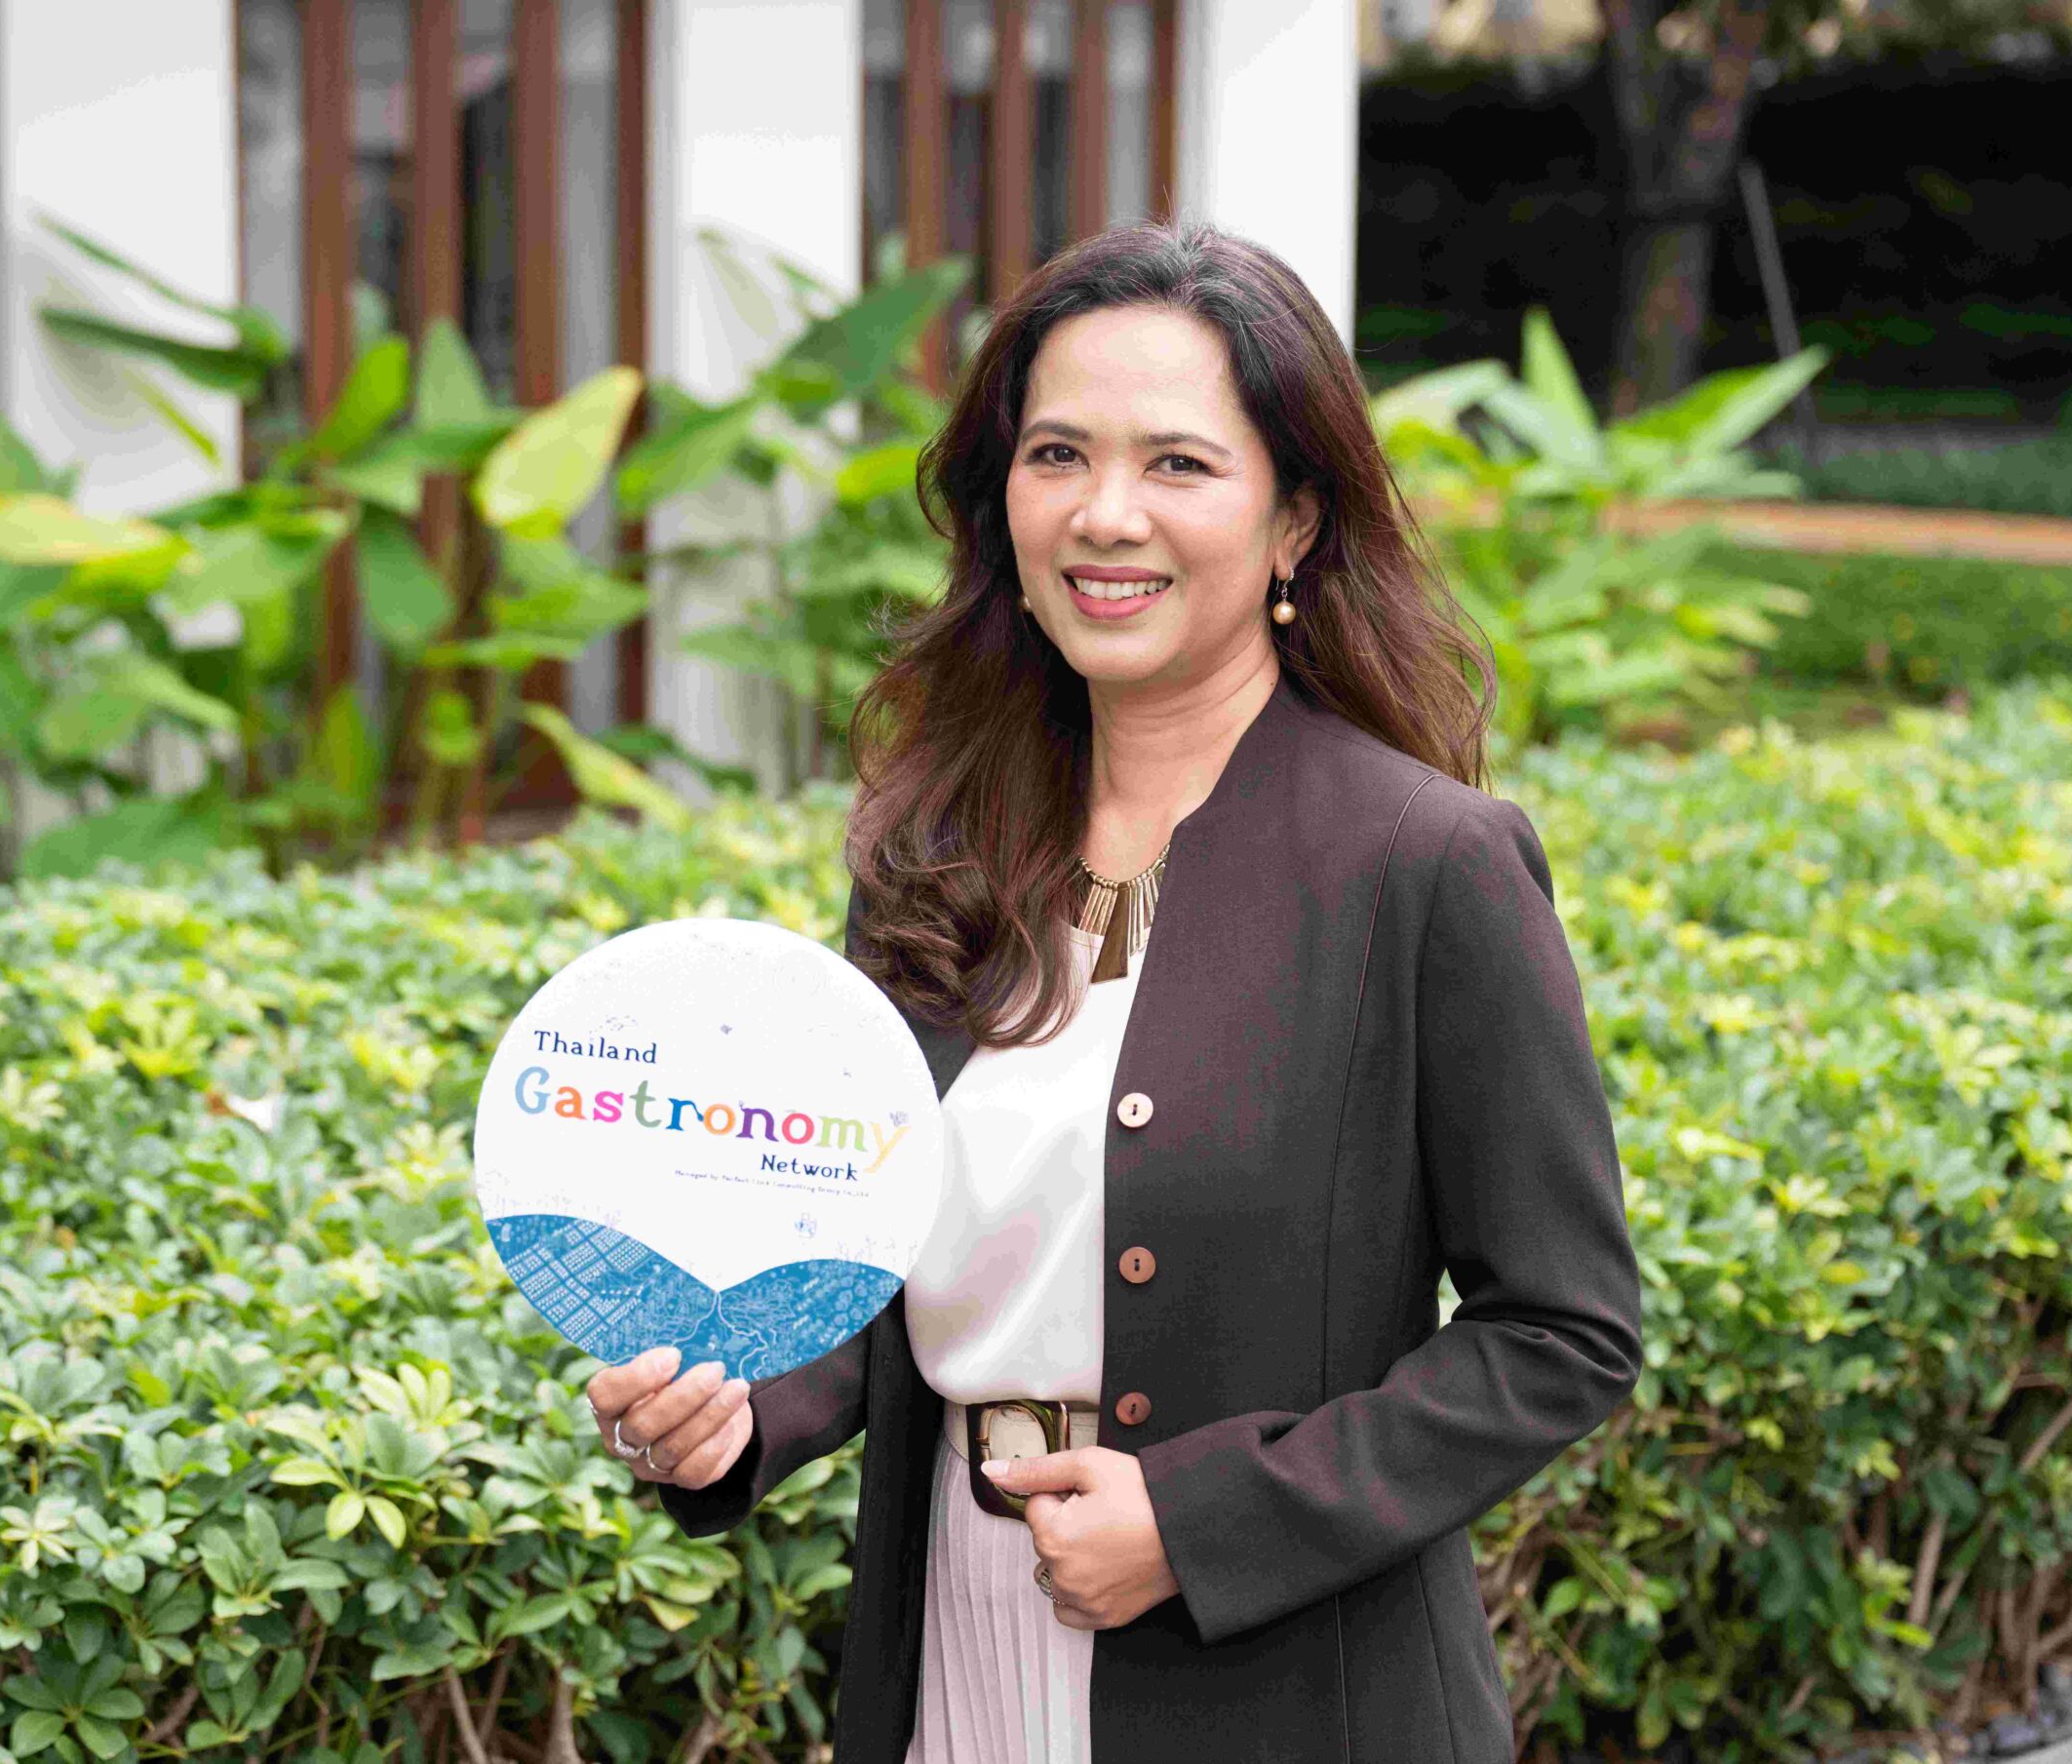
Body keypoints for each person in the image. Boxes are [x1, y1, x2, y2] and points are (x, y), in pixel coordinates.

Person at [582, 220, 1642, 1764]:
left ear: (1295, 521)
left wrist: (1205, 1523)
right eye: (1058, 454)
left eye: (1179, 464)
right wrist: (738, 1407)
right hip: (954, 1635)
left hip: (1284, 1690)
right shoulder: (937, 849)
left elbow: (1562, 1329)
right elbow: (872, 1250)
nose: (1105, 513)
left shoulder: (1426, 866)